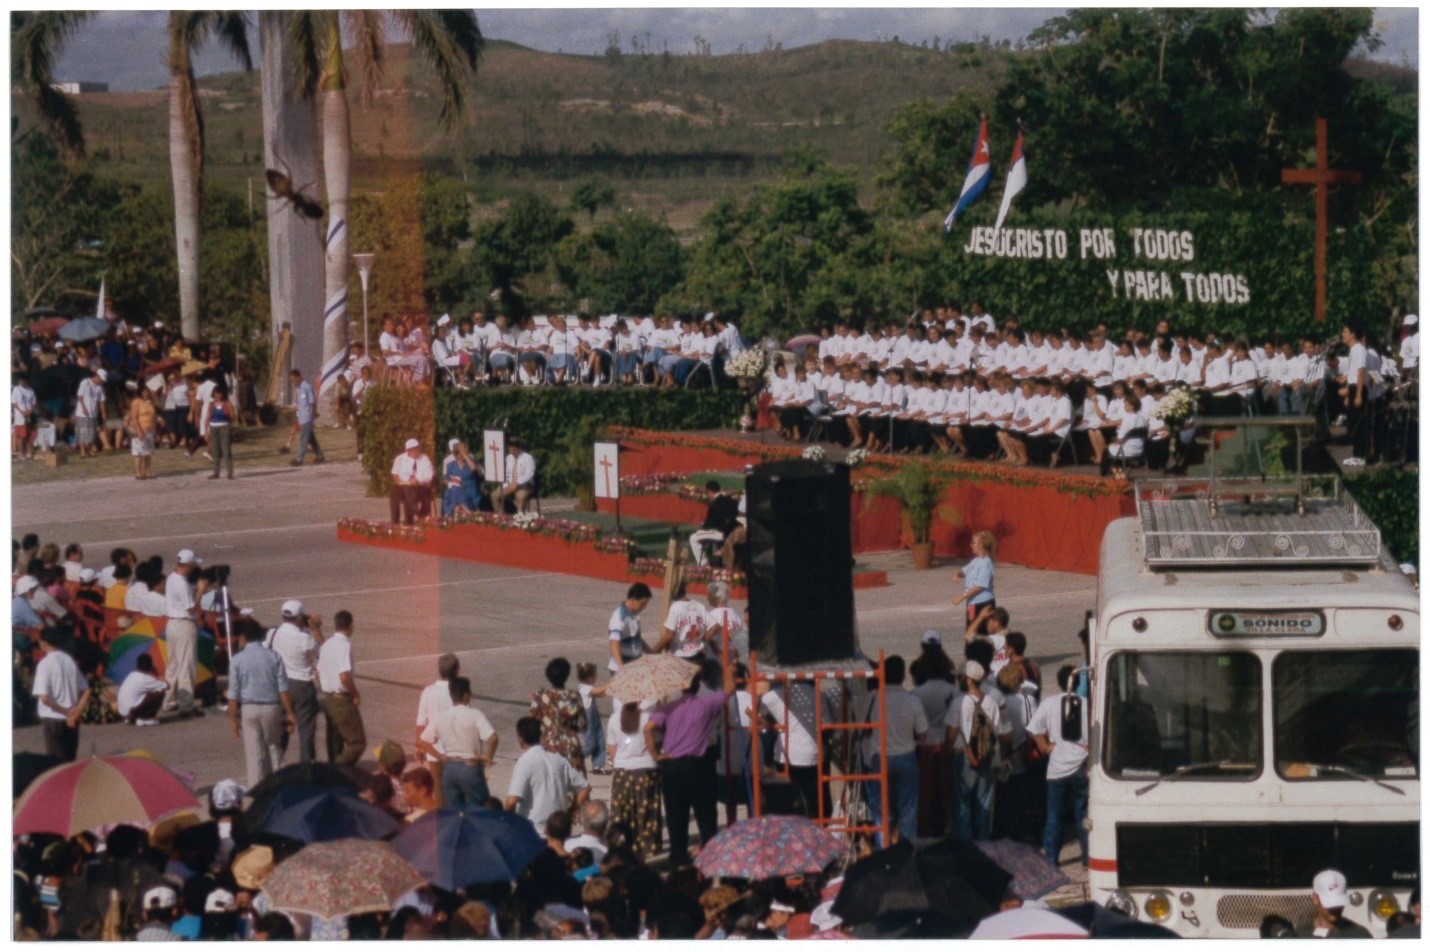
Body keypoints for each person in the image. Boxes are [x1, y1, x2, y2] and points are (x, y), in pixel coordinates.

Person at [644, 659, 738, 865]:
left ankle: (678, 855)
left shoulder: (668, 708)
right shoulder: (707, 703)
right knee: (705, 813)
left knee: (676, 814)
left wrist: (656, 754)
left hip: (672, 765)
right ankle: (711, 853)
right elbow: (730, 689)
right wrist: (729, 669)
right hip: (699, 765)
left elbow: (648, 728)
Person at [860, 655, 927, 845]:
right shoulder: (912, 700)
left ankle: (884, 853)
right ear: (903, 675)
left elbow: (863, 729)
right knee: (908, 813)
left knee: (881, 813)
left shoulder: (872, 699)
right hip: (906, 758)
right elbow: (923, 735)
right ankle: (906, 854)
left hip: (879, 758)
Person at [1030, 665, 1089, 866]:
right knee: (1082, 814)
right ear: (1079, 683)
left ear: (1059, 682)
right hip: (1081, 765)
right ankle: (1087, 856)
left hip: (1056, 768)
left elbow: (1034, 728)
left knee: (1054, 815)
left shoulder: (1049, 703)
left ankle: (1051, 858)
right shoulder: (1086, 704)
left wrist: (1045, 747)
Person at [226, 622, 297, 787]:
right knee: (274, 747)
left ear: (243, 638)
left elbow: (233, 693)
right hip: (271, 707)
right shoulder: (273, 656)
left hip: (249, 709)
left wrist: (232, 719)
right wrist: (290, 713)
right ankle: (280, 784)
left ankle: (256, 790)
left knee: (254, 754)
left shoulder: (237, 660)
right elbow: (283, 688)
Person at [948, 659, 1009, 841]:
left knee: (963, 808)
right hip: (987, 758)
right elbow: (997, 731)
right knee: (984, 807)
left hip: (963, 759)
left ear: (968, 680)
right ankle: (984, 849)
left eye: (960, 676)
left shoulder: (958, 702)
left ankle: (967, 851)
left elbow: (950, 736)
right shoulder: (991, 702)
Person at [421, 676, 499, 808]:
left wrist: (440, 757)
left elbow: (423, 742)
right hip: (470, 769)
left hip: (450, 769)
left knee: (455, 812)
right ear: (466, 695)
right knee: (480, 809)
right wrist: (488, 757)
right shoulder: (475, 714)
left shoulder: (441, 717)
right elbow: (493, 738)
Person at [506, 716, 591, 832]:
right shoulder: (559, 760)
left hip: (533, 831)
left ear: (520, 738)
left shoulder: (524, 762)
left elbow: (511, 801)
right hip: (557, 831)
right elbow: (585, 788)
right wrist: (569, 813)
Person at [607, 700, 661, 860]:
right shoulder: (649, 717)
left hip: (622, 771)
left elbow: (612, 749)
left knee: (622, 813)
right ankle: (646, 848)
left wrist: (623, 761)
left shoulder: (613, 718)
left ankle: (622, 846)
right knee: (645, 813)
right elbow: (656, 742)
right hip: (646, 769)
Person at [33, 629, 90, 761]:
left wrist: (66, 712)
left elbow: (44, 698)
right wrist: (76, 712)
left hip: (53, 718)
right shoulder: (69, 660)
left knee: (54, 764)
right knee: (70, 762)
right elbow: (86, 690)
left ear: (43, 642)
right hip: (72, 719)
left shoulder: (44, 664)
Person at [316, 609, 365, 765]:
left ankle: (334, 768)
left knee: (335, 741)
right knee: (357, 743)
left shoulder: (326, 645)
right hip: (341, 700)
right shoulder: (345, 645)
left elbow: (318, 673)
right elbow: (344, 675)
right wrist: (355, 693)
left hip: (328, 698)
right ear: (350, 626)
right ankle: (338, 769)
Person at [163, 548, 206, 718]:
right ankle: (186, 705)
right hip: (184, 624)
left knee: (173, 664)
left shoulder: (172, 578)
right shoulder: (181, 582)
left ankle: (169, 700)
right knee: (186, 665)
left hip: (172, 624)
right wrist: (201, 590)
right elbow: (191, 607)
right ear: (188, 565)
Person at [415, 653, 461, 806]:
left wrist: (420, 747)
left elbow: (420, 723)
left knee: (439, 795)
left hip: (433, 751)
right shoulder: (459, 693)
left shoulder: (428, 691)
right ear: (457, 671)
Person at [530, 657, 587, 773]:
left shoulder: (540, 695)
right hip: (569, 746)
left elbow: (532, 721)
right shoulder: (574, 696)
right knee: (574, 786)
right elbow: (582, 725)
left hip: (547, 746)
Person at [1302, 869, 1373, 938]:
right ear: (1315, 899)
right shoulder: (1300, 934)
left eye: (1339, 902)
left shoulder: (1359, 935)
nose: (1335, 908)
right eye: (1330, 903)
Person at [651, 582, 709, 661]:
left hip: (681, 656)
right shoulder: (700, 606)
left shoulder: (676, 607)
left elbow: (669, 635)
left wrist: (653, 652)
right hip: (699, 655)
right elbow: (707, 630)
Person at [688, 482, 740, 567]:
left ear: (709, 491)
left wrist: (701, 529)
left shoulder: (715, 503)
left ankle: (704, 565)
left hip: (720, 532)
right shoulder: (731, 500)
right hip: (732, 531)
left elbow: (708, 524)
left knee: (693, 538)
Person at [953, 531, 997, 631]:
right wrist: (957, 574)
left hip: (983, 604)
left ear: (981, 545)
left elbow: (979, 587)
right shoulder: (976, 561)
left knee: (980, 636)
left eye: (973, 543)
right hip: (972, 603)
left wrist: (961, 597)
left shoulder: (986, 563)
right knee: (971, 634)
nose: (971, 545)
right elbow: (963, 571)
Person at [607, 583, 653, 674]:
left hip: (633, 666)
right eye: (642, 604)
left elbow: (636, 638)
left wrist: (652, 654)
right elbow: (613, 643)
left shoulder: (635, 615)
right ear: (632, 599)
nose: (644, 607)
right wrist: (621, 668)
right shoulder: (620, 616)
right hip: (621, 669)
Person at [390, 438, 435, 525]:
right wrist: (404, 483)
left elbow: (429, 476)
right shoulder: (400, 459)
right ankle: (395, 522)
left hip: (420, 487)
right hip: (403, 486)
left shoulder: (424, 459)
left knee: (409, 491)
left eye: (417, 448)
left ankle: (409, 521)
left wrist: (417, 479)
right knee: (395, 491)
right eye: (413, 449)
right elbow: (395, 475)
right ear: (408, 450)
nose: (416, 451)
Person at [114, 652, 167, 726]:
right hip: (133, 711)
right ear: (150, 666)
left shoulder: (131, 675)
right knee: (160, 693)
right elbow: (166, 686)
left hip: (123, 713)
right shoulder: (145, 679)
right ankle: (145, 718)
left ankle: (130, 719)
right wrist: (157, 674)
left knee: (142, 693)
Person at [575, 662, 608, 774]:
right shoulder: (583, 688)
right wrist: (610, 685)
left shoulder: (588, 687)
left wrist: (608, 690)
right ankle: (574, 756)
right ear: (589, 678)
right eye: (595, 675)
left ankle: (598, 765)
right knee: (591, 744)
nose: (597, 677)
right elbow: (598, 691)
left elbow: (600, 694)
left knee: (600, 739)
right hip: (586, 718)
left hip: (593, 717)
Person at [288, 369, 325, 466]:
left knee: (303, 439)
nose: (293, 382)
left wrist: (314, 414)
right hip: (301, 417)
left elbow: (313, 402)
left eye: (293, 380)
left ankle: (299, 459)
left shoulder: (307, 387)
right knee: (311, 438)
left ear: (298, 377)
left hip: (307, 417)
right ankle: (320, 456)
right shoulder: (298, 389)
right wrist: (288, 411)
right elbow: (299, 405)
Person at [493, 437, 537, 514]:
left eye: (514, 449)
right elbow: (505, 474)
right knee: (495, 495)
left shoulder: (527, 458)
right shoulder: (508, 458)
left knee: (520, 496)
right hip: (510, 485)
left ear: (519, 448)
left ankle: (520, 518)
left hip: (524, 485)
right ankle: (502, 517)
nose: (512, 452)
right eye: (510, 449)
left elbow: (529, 474)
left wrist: (517, 483)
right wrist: (505, 485)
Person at [441, 439, 482, 516]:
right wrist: (451, 485)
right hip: (456, 495)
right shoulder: (451, 465)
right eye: (463, 453)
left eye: (467, 452)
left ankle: (465, 511)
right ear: (457, 455)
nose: (466, 454)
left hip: (470, 496)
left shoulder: (471, 462)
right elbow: (446, 479)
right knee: (455, 500)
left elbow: (474, 469)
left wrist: (466, 456)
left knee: (459, 507)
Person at [203, 385, 236, 480]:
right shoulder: (211, 404)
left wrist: (228, 414)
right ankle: (216, 472)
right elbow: (208, 418)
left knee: (226, 451)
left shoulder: (227, 404)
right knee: (215, 451)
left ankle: (230, 472)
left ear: (222, 394)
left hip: (224, 427)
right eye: (216, 393)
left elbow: (233, 417)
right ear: (214, 394)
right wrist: (206, 431)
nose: (218, 395)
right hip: (213, 428)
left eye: (220, 393)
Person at [124, 386, 157, 480]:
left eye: (148, 392)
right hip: (140, 429)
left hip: (150, 430)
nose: (147, 393)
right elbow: (134, 417)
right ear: (140, 393)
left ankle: (148, 471)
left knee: (148, 452)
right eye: (144, 392)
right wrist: (139, 431)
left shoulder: (150, 403)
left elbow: (153, 417)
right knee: (138, 452)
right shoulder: (136, 402)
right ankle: (138, 472)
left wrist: (155, 430)